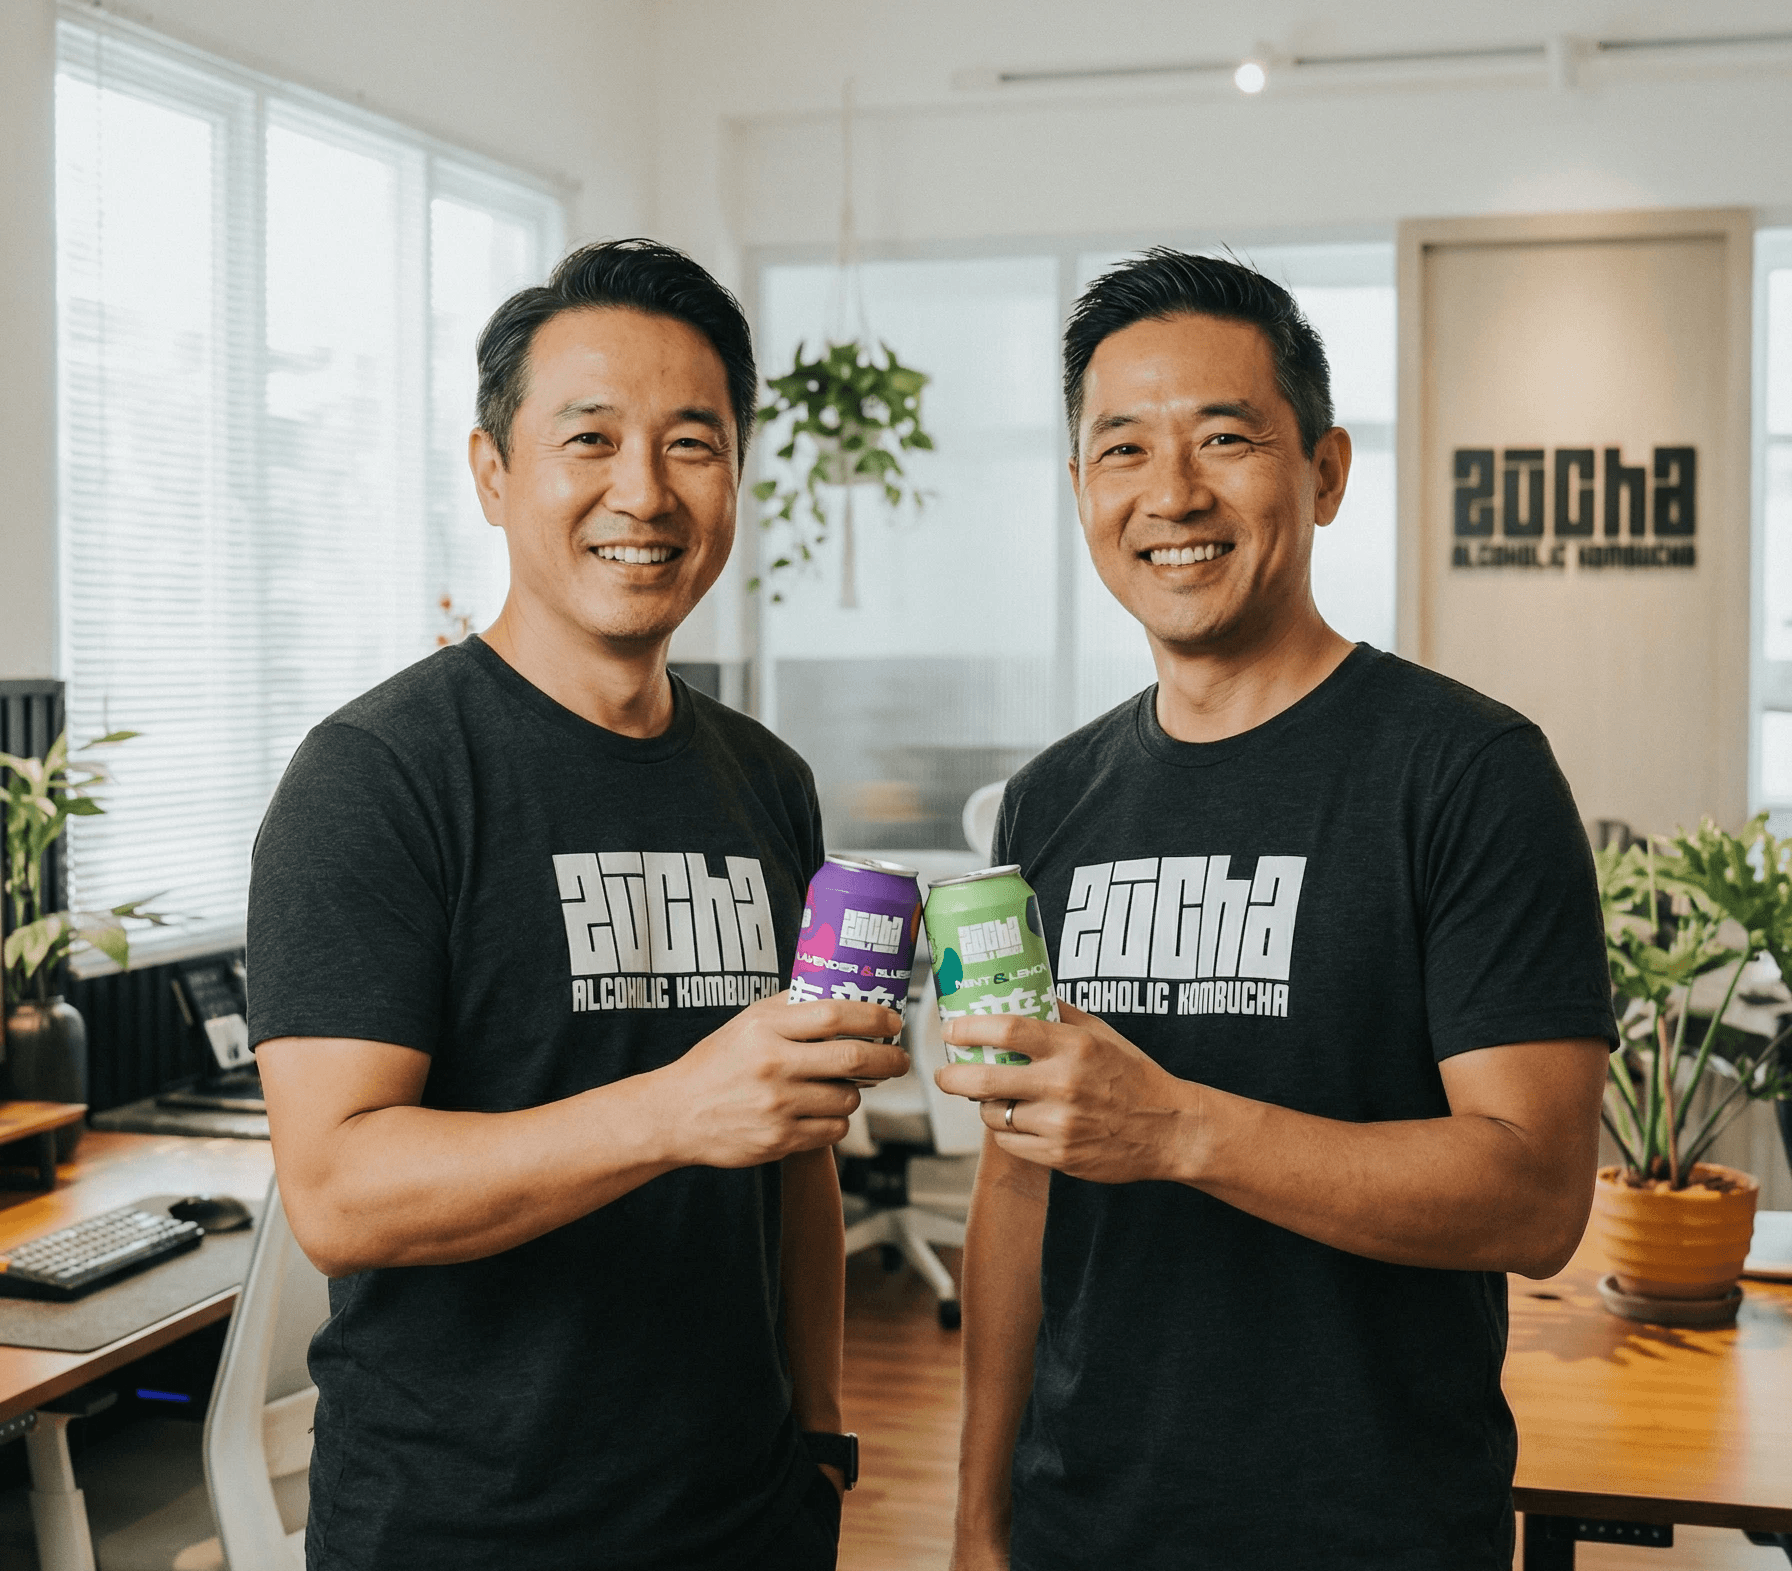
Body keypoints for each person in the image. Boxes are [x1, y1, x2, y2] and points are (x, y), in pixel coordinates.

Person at [942, 250, 1615, 1571]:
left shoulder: (1467, 773)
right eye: (1121, 449)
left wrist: (1181, 1124)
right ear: (1081, 489)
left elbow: (1536, 1196)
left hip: (1373, 1531)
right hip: (1087, 1526)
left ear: (1324, 471)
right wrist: (976, 1519)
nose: (1172, 492)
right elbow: (1018, 1183)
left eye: (1226, 438)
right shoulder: (1046, 805)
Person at [248, 239, 906, 1571]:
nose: (644, 494)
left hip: (743, 1520)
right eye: (590, 439)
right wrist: (673, 1109)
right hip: (461, 1533)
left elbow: (797, 1156)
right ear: (494, 472)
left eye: (693, 444)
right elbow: (338, 1191)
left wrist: (821, 1441)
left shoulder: (766, 782)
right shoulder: (378, 779)